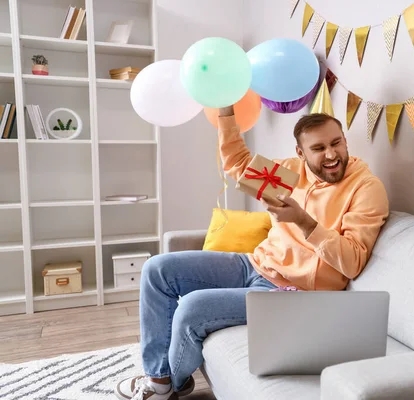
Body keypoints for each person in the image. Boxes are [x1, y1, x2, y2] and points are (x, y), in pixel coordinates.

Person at [114, 106, 389, 400]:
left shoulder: (366, 188)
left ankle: (167, 386)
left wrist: (304, 222)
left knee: (192, 309)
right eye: (319, 148)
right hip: (254, 265)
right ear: (301, 152)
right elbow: (237, 164)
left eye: (336, 143)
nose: (331, 154)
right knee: (158, 269)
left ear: (345, 141)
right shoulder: (293, 174)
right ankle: (158, 377)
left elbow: (353, 262)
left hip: (296, 293)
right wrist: (226, 110)